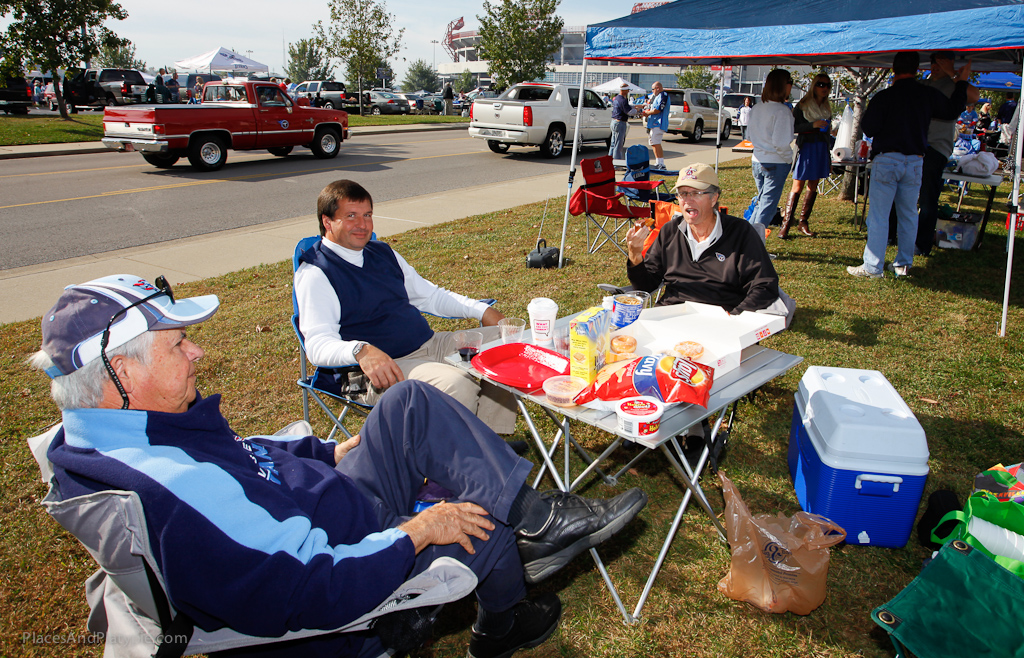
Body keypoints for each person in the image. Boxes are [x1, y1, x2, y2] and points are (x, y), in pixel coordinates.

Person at [30, 274, 647, 658]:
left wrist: (326, 451)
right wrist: (414, 533)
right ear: (120, 373)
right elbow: (305, 585)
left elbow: (248, 457)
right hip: (348, 554)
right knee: (477, 516)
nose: (198, 351)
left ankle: (537, 517)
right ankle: (503, 621)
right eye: (177, 344)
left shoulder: (131, 433)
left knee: (408, 401)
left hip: (328, 501)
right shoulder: (171, 486)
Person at [294, 180, 518, 434]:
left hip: (430, 345)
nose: (363, 225)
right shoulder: (316, 273)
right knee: (458, 385)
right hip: (376, 372)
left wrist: (482, 311)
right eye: (351, 216)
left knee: (510, 342)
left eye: (367, 215)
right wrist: (361, 351)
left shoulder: (382, 252)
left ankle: (491, 440)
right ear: (327, 222)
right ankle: (451, 466)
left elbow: (429, 297)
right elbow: (317, 345)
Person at [848, 51, 970, 279]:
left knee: (879, 216)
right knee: (908, 214)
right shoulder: (927, 94)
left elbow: (869, 128)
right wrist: (961, 82)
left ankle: (873, 266)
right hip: (915, 160)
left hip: (888, 159)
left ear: (894, 69)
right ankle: (903, 265)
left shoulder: (885, 97)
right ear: (917, 69)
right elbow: (953, 110)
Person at [624, 163, 791, 319]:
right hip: (671, 314)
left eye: (696, 193)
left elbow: (764, 285)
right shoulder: (670, 231)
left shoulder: (740, 232)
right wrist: (635, 255)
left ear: (713, 198)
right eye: (682, 194)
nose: (687, 200)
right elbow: (646, 286)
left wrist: (734, 318)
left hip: (719, 318)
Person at [914, 51, 981, 257]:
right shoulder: (924, 85)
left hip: (936, 148)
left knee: (927, 199)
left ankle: (923, 244)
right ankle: (896, 234)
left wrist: (953, 74)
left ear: (950, 63)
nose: (937, 66)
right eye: (934, 62)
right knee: (906, 195)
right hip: (915, 146)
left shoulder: (954, 85)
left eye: (942, 62)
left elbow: (974, 96)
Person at [780, 73, 833, 239]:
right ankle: (786, 224)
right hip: (806, 147)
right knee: (798, 185)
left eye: (827, 85)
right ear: (814, 86)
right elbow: (793, 127)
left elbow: (827, 132)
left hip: (821, 147)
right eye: (821, 85)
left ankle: (803, 221)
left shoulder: (827, 107)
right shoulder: (803, 105)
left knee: (813, 185)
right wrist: (813, 125)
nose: (824, 88)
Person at [747, 69, 795, 245]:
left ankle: (746, 242)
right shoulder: (782, 111)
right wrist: (788, 159)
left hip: (757, 160)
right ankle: (753, 247)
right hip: (775, 162)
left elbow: (749, 137)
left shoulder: (757, 108)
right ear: (784, 86)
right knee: (766, 208)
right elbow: (781, 143)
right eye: (790, 82)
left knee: (761, 205)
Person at [640, 81, 670, 170]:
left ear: (658, 88)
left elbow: (658, 110)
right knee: (653, 143)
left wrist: (647, 113)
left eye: (653, 89)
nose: (652, 91)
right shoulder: (656, 96)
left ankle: (661, 163)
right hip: (653, 123)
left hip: (658, 123)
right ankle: (658, 162)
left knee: (656, 142)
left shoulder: (663, 95)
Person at [609, 81, 636, 160]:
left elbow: (626, 107)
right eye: (627, 90)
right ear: (624, 90)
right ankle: (616, 164)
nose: (628, 92)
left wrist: (635, 107)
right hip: (620, 123)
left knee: (613, 144)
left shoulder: (617, 98)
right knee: (618, 145)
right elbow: (629, 112)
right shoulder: (623, 100)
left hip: (614, 121)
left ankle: (610, 162)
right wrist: (638, 111)